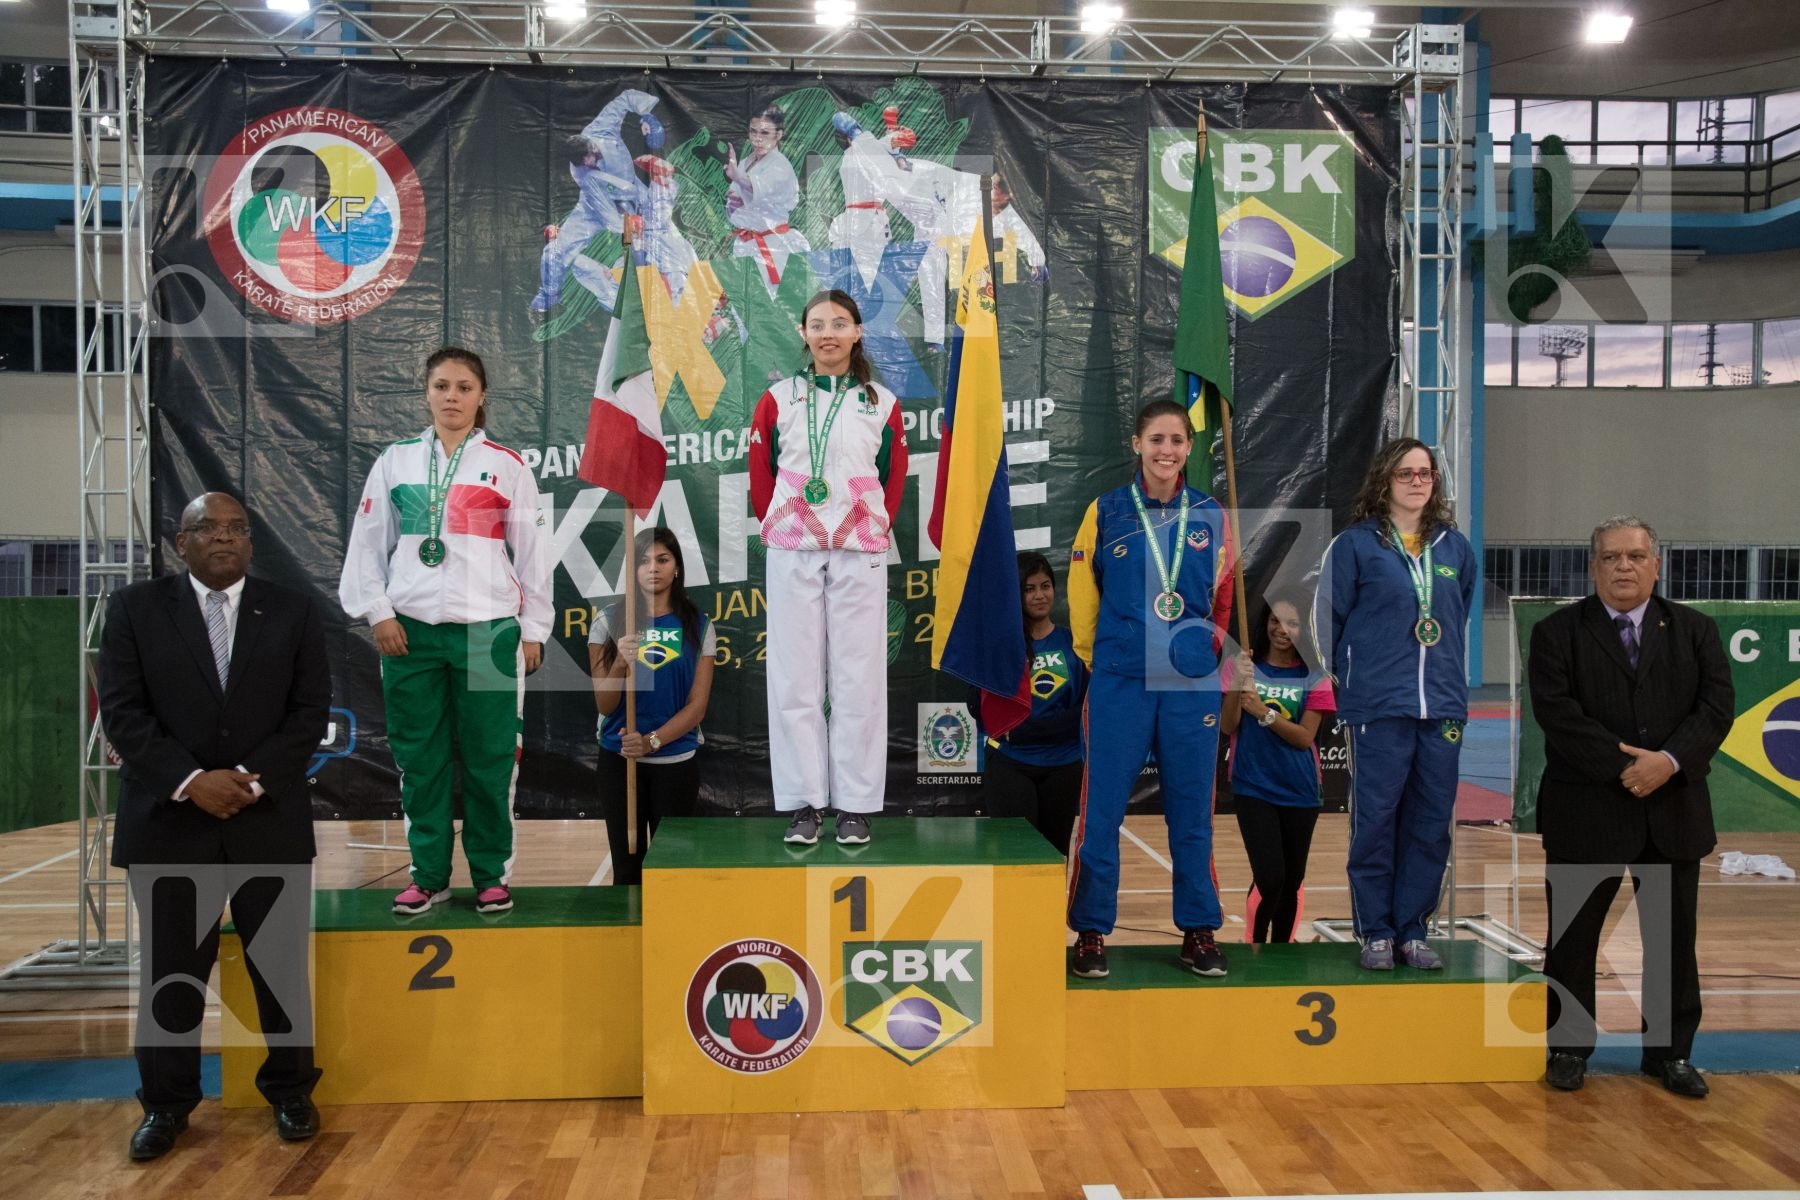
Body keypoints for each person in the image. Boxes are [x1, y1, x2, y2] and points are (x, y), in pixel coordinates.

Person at [99, 492, 329, 1160]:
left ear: (250, 542)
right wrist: (192, 782)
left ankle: (289, 1090)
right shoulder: (135, 611)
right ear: (181, 542)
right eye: (208, 528)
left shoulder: (292, 610)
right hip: (171, 821)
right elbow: (124, 713)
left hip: (267, 819)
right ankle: (167, 1106)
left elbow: (309, 711)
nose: (223, 538)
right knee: (171, 977)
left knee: (280, 969)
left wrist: (249, 779)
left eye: (235, 529)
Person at [339, 346, 553, 916]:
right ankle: (428, 875)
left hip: (488, 634)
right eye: (441, 386)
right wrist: (379, 613)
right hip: (410, 636)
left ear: (482, 397)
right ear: (426, 393)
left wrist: (532, 628)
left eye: (463, 387)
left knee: (489, 761)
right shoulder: (396, 461)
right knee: (420, 760)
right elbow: (367, 547)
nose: (452, 397)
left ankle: (490, 876)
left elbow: (534, 555)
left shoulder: (508, 464)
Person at [1529, 516, 1733, 1097]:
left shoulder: (1695, 630)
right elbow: (1558, 713)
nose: (1624, 567)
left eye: (1636, 557)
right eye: (1612, 557)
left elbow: (1716, 708)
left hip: (1673, 811)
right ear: (1593, 567)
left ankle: (1669, 1056)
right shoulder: (1556, 632)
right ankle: (1567, 1047)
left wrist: (1665, 762)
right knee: (1571, 940)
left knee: (1672, 941)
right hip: (1585, 809)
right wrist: (1627, 768)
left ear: (1656, 564)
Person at [1066, 400, 1233, 979]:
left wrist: (1200, 659)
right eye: (1156, 439)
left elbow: (1224, 596)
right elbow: (1083, 594)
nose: (1167, 450)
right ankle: (1090, 930)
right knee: (1102, 810)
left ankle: (1198, 928)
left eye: (1177, 440)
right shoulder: (1107, 510)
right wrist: (1101, 659)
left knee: (1192, 812)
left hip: (1189, 686)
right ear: (1136, 444)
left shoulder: (1210, 514)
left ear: (1190, 448)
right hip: (1120, 681)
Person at [749, 289, 907, 846]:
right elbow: (761, 476)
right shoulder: (778, 399)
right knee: (794, 677)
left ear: (858, 333)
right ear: (803, 333)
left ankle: (856, 805)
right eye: (818, 324)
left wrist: (871, 526)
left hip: (859, 545)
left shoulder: (880, 402)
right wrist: (787, 521)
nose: (829, 334)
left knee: (858, 677)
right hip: (793, 544)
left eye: (840, 324)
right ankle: (804, 803)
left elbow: (893, 475)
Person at [1316, 437, 1476, 971]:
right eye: (1405, 473)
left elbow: (1456, 618)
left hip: (1442, 707)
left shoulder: (1455, 549)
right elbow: (1326, 625)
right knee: (1377, 820)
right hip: (1379, 705)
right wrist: (1354, 684)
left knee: (1430, 823)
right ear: (1384, 480)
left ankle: (1413, 929)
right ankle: (1376, 931)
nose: (1416, 482)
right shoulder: (1355, 545)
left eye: (1425, 473)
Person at [589, 527, 717, 885]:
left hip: (675, 763)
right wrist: (619, 664)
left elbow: (697, 707)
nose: (653, 568)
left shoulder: (699, 626)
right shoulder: (608, 622)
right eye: (643, 561)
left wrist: (652, 741)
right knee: (627, 872)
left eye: (663, 559)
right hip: (620, 762)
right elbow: (604, 702)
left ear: (676, 567)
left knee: (670, 876)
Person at [1221, 591, 1335, 943]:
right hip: (1253, 786)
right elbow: (1227, 727)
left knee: (1291, 882)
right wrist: (1238, 686)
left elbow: (1304, 738)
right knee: (1270, 877)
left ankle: (1282, 951)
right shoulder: (1242, 668)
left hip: (1300, 791)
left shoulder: (1316, 678)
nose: (1282, 630)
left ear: (1304, 630)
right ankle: (1253, 945)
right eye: (1275, 621)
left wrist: (1264, 713)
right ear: (1264, 624)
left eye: (1292, 623)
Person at [980, 552, 1088, 855]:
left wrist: (1029, 730)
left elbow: (1084, 710)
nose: (1040, 595)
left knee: (1054, 857)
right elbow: (982, 709)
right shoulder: (1001, 647)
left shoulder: (1075, 643)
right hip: (1010, 766)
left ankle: (1053, 906)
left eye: (1045, 586)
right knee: (1016, 857)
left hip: (1063, 765)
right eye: (1029, 589)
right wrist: (1018, 732)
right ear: (1016, 594)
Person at [725, 105, 811, 292]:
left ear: (778, 135)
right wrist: (734, 199)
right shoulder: (747, 161)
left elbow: (757, 188)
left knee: (772, 305)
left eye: (765, 132)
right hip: (747, 242)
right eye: (753, 131)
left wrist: (738, 178)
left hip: (773, 246)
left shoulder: (780, 165)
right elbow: (736, 197)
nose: (757, 139)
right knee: (745, 306)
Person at [990, 173, 1048, 284]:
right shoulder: (973, 211)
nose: (1010, 195)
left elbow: (1032, 245)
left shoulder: (1016, 220)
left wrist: (1036, 266)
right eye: (1008, 192)